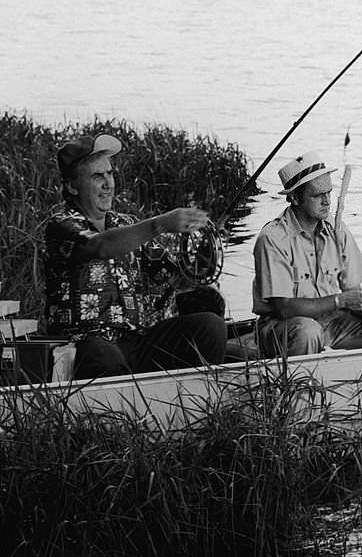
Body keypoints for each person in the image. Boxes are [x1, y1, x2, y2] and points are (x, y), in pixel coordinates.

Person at [44, 132, 228, 379]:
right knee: (103, 355)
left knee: (210, 326)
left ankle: (197, 398)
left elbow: (177, 280)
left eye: (110, 173)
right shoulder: (62, 224)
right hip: (86, 345)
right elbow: (99, 246)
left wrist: (203, 256)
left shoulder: (127, 223)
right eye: (97, 176)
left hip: (138, 342)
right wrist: (159, 224)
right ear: (71, 186)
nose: (108, 183)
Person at [252, 150, 362, 357]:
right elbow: (284, 308)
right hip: (285, 330)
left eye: (328, 193)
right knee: (308, 330)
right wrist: (339, 301)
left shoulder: (337, 229)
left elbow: (351, 288)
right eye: (317, 195)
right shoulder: (272, 238)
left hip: (335, 324)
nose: (326, 201)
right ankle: (298, 387)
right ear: (295, 198)